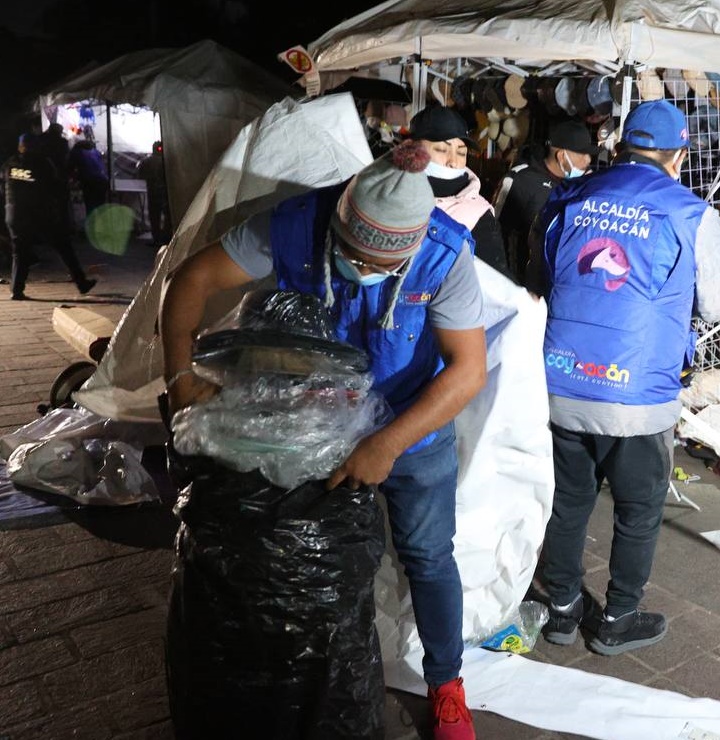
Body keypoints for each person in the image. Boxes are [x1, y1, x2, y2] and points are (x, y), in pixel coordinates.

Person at [160, 140, 486, 740]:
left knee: (428, 555)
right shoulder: (293, 225)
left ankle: (447, 684)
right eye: (354, 256)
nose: (364, 272)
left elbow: (467, 369)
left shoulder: (444, 254)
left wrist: (387, 444)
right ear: (338, 221)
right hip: (309, 428)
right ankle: (300, 667)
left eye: (383, 267)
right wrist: (180, 376)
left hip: (408, 428)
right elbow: (192, 279)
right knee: (302, 562)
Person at [529, 100, 720, 654]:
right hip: (637, 391)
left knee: (567, 502)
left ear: (621, 146)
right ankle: (618, 618)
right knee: (639, 510)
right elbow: (719, 306)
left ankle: (563, 609)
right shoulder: (691, 213)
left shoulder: (569, 195)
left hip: (562, 379)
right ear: (677, 155)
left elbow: (548, 271)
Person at [406, 106, 509, 279]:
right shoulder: (386, 196)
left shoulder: (477, 215)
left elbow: (496, 281)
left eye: (461, 153)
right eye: (441, 150)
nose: (453, 162)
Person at [493, 121, 596, 286]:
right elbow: (496, 232)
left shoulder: (581, 186)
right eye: (582, 154)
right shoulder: (521, 179)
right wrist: (512, 284)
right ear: (562, 156)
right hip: (522, 286)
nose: (588, 159)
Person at [4, 134, 96, 300]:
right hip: (37, 213)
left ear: (20, 147)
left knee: (20, 252)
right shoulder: (41, 163)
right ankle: (81, 283)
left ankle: (16, 290)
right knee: (63, 246)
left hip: (14, 213)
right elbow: (55, 187)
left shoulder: (9, 164)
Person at [137, 140, 172, 244]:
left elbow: (140, 175)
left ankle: (156, 238)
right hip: (165, 191)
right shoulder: (168, 160)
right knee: (168, 216)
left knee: (154, 216)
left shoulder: (147, 161)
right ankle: (166, 238)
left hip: (152, 191)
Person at [67, 139, 108, 214]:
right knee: (100, 204)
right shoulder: (96, 152)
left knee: (90, 204)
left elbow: (70, 167)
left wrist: (72, 179)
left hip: (89, 180)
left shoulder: (76, 152)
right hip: (102, 179)